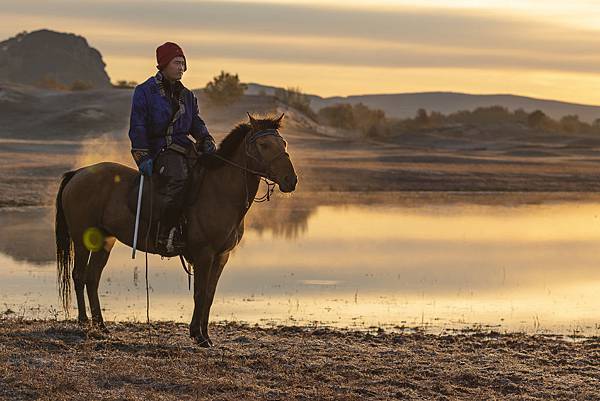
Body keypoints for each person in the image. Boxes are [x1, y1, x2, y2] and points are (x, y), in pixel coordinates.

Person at [128, 41, 216, 255]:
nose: (181, 68)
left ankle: (197, 230)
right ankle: (164, 233)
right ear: (164, 64)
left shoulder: (187, 95)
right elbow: (137, 126)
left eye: (183, 63)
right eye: (177, 62)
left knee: (208, 175)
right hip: (158, 149)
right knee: (179, 177)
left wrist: (204, 138)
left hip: (184, 147)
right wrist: (143, 156)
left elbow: (195, 120)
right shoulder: (145, 91)